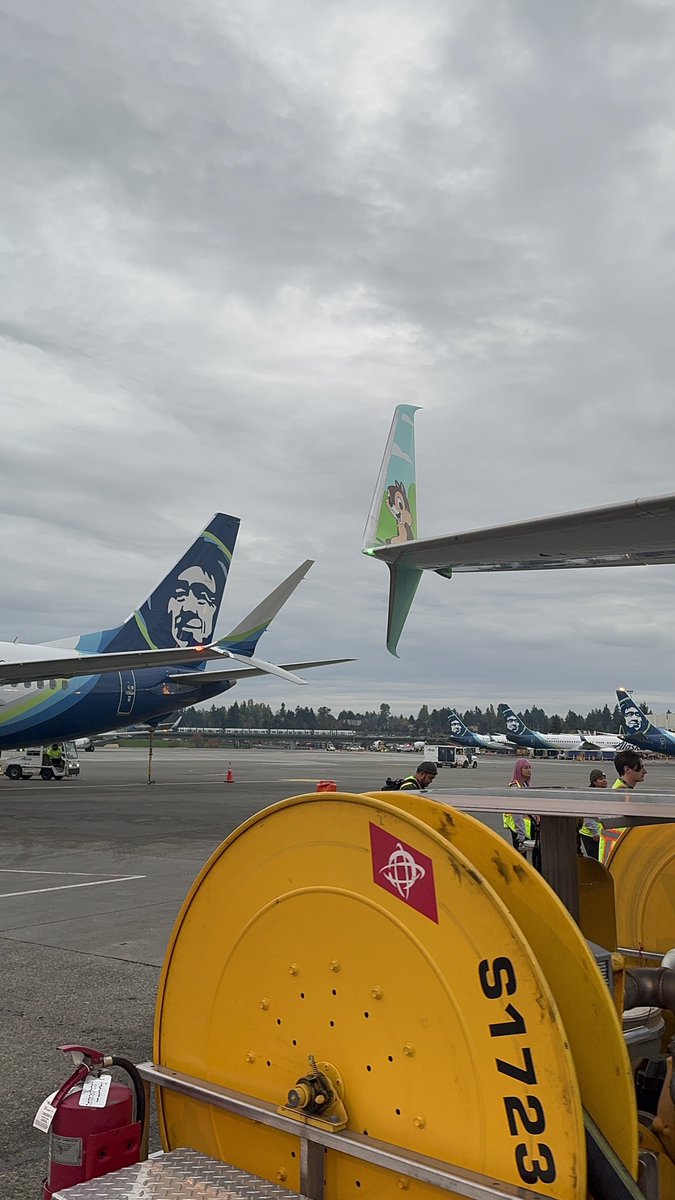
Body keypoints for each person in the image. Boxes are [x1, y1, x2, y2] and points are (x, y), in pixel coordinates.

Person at [600, 750, 646, 864]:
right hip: (616, 853)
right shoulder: (622, 795)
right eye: (640, 768)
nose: (645, 771)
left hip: (617, 851)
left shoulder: (623, 791)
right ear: (627, 769)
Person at [503, 758, 532, 855]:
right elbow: (516, 811)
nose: (529, 770)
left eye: (530, 768)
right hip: (519, 829)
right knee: (520, 856)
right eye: (525, 768)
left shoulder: (525, 784)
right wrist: (521, 832)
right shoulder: (515, 786)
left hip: (526, 827)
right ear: (519, 769)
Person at [578, 768, 606, 858]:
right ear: (594, 782)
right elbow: (588, 817)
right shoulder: (591, 796)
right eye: (601, 779)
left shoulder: (602, 793)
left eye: (604, 778)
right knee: (596, 859)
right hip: (590, 834)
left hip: (599, 832)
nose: (605, 780)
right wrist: (595, 832)